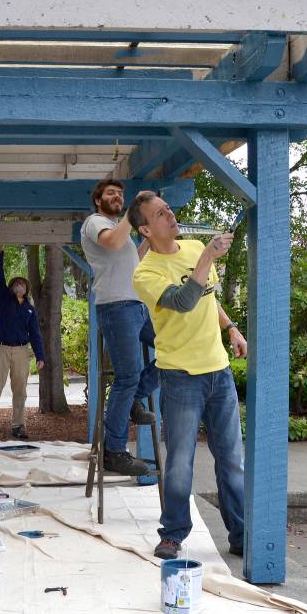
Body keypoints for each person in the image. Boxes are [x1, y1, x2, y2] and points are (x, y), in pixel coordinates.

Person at [128, 190, 248, 560]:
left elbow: (209, 298)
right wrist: (210, 255)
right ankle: (174, 533)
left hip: (219, 372)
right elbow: (184, 302)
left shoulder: (196, 247)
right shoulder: (145, 273)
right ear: (146, 229)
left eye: (169, 209)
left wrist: (231, 328)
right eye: (161, 214)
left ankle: (242, 534)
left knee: (231, 459)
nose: (170, 216)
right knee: (180, 460)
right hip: (180, 377)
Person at [79, 178, 158, 476]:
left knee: (176, 347)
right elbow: (111, 242)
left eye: (121, 194)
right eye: (111, 193)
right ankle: (114, 452)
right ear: (98, 200)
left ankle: (136, 398)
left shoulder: (122, 232)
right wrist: (134, 212)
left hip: (137, 306)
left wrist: (149, 237)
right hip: (115, 306)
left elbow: (133, 263)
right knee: (126, 376)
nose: (117, 197)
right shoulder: (95, 222)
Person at [0, 245, 46, 440]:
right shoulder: (4, 299)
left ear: (26, 289)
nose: (19, 285)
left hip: (20, 351)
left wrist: (40, 356)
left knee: (20, 391)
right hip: (0, 349)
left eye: (22, 283)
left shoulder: (29, 309)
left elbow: (35, 333)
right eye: (16, 283)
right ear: (11, 288)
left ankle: (18, 426)